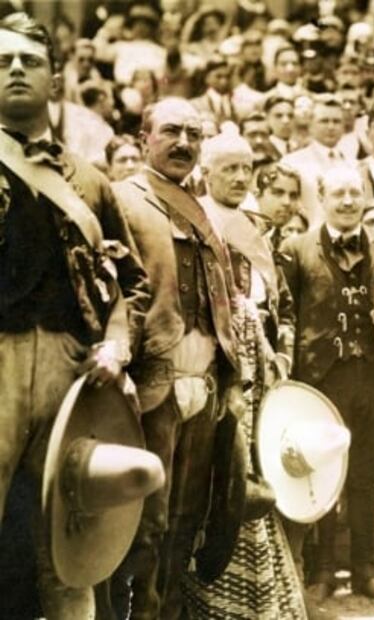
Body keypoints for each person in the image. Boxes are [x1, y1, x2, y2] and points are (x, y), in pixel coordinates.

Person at [0, 11, 149, 619]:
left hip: (73, 372)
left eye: (30, 61)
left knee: (71, 536)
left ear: (55, 80)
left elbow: (133, 284)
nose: (16, 70)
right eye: (3, 61)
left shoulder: (89, 181)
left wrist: (116, 344)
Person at [109, 98, 240, 620]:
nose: (183, 143)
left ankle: (165, 613)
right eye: (170, 131)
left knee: (188, 515)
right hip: (148, 384)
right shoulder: (122, 198)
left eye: (193, 134)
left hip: (204, 383)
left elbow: (224, 297)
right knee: (146, 517)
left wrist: (231, 374)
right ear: (145, 139)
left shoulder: (204, 210)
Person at [182, 131, 305, 620]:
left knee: (253, 479)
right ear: (205, 173)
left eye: (245, 168)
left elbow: (281, 306)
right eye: (228, 168)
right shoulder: (189, 220)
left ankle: (258, 600)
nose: (238, 177)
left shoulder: (256, 229)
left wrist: (279, 354)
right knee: (215, 482)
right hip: (211, 373)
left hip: (259, 374)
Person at [280, 165, 374, 603]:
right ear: (322, 198)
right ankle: (323, 569)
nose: (348, 202)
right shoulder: (296, 248)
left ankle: (365, 569)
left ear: (365, 196)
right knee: (322, 470)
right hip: (320, 379)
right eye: (338, 194)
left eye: (355, 193)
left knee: (366, 475)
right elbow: (287, 314)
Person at [282, 93, 347, 225]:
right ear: (310, 125)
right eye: (324, 121)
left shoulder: (352, 164)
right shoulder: (292, 162)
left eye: (336, 121)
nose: (331, 127)